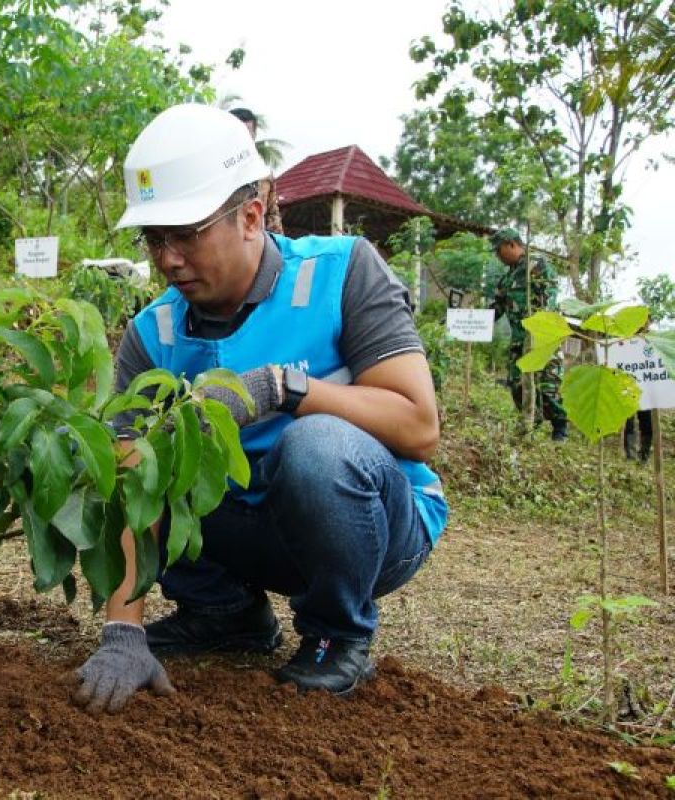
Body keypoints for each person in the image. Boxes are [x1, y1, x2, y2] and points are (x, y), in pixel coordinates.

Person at [72, 104, 448, 711]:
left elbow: (418, 426)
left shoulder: (341, 272)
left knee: (316, 447)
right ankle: (224, 611)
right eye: (154, 240)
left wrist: (282, 389)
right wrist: (123, 631)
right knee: (133, 451)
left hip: (374, 520)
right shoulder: (155, 331)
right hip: (249, 524)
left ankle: (336, 634)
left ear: (250, 216)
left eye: (186, 235)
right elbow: (129, 480)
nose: (168, 260)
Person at [489, 227, 569, 441]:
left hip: (542, 339)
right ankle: (530, 423)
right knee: (517, 385)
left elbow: (548, 299)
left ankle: (560, 428)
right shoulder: (506, 280)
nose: (498, 256)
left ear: (512, 244)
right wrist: (466, 320)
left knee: (548, 386)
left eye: (499, 250)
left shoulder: (538, 266)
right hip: (518, 342)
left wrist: (537, 328)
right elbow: (495, 309)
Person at [228, 107, 284, 235]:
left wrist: (278, 247)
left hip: (256, 246)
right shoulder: (215, 173)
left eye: (247, 133)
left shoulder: (264, 174)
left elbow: (272, 215)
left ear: (254, 135)